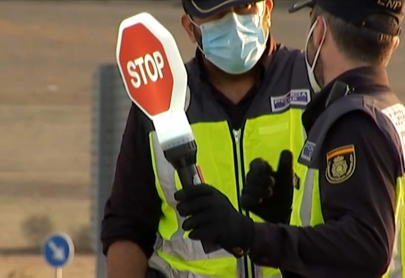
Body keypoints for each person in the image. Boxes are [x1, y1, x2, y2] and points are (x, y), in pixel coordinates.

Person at [174, 0, 405, 277]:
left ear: (319, 30)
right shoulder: (390, 113)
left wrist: (250, 235)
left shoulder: (355, 121)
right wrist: (284, 216)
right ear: (391, 44)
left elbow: (366, 248)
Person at [101, 0, 313, 277]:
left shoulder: (312, 83)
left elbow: (351, 225)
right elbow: (127, 226)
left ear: (268, 10)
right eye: (218, 14)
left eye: (245, 7)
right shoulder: (159, 101)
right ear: (190, 28)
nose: (235, 23)